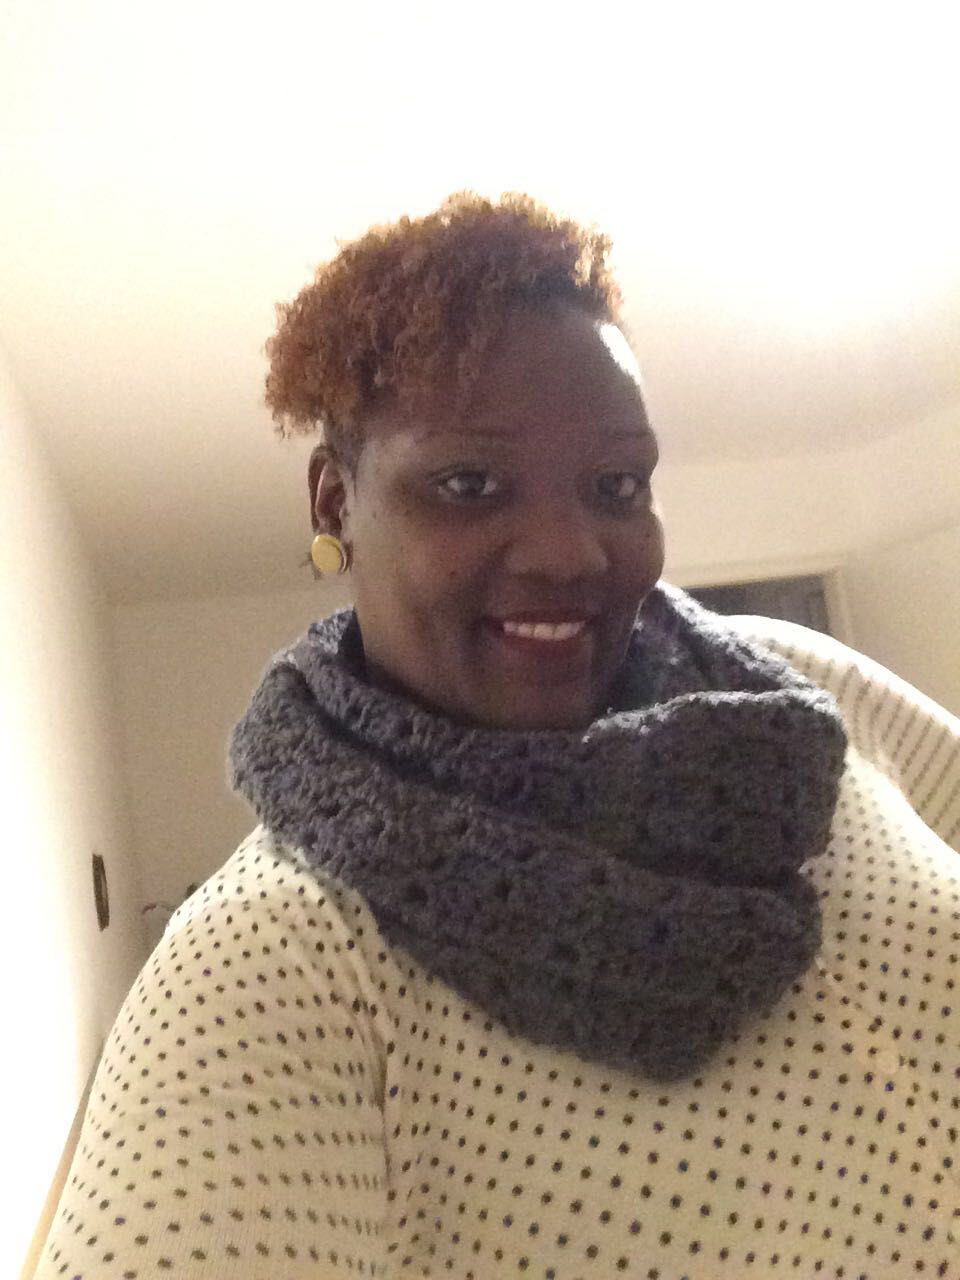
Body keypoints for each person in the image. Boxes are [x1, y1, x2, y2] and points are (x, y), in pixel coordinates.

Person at [36, 192, 959, 1279]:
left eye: (617, 485)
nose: (570, 553)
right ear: (334, 503)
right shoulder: (282, 955)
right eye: (469, 484)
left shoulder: (805, 690)